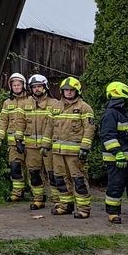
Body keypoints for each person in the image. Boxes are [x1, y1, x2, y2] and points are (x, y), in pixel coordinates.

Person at [98, 81, 128, 226]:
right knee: (115, 186)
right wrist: (117, 153)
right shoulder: (110, 114)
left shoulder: (124, 114)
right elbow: (108, 136)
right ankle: (113, 213)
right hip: (117, 160)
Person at [49, 76, 94, 218]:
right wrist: (45, 145)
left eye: (71, 90)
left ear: (77, 91)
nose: (68, 92)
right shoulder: (56, 107)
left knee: (78, 180)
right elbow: (48, 127)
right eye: (66, 90)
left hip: (75, 154)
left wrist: (85, 148)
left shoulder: (84, 107)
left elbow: (89, 129)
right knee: (60, 179)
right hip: (57, 152)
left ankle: (84, 209)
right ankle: (65, 205)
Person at [24, 73, 59, 210]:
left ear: (45, 87)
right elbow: (20, 123)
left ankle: (57, 200)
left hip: (49, 147)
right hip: (31, 147)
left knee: (53, 174)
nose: (37, 89)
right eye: (34, 87)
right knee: (34, 173)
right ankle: (38, 198)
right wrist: (19, 139)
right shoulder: (26, 104)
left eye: (39, 86)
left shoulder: (55, 104)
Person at [0, 73, 29, 202]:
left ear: (23, 85)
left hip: (30, 142)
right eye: (14, 85)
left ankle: (38, 194)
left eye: (18, 84)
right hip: (13, 143)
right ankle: (17, 193)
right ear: (11, 86)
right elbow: (3, 121)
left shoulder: (30, 101)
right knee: (15, 167)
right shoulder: (7, 103)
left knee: (33, 169)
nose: (16, 87)